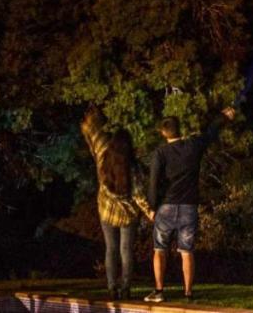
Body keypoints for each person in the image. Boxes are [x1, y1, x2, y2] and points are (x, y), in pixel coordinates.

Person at [144, 105, 236, 303]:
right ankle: (188, 293)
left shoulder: (160, 153)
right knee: (186, 251)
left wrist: (152, 207)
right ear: (180, 130)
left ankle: (159, 292)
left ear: (163, 133)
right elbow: (210, 133)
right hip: (189, 206)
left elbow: (153, 182)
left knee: (160, 249)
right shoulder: (193, 145)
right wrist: (224, 116)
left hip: (167, 206)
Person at [81, 106, 154, 300]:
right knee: (126, 250)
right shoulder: (133, 167)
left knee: (110, 249)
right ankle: (125, 287)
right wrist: (149, 212)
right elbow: (139, 194)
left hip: (106, 210)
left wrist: (90, 122)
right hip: (128, 214)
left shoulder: (104, 156)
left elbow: (95, 138)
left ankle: (112, 287)